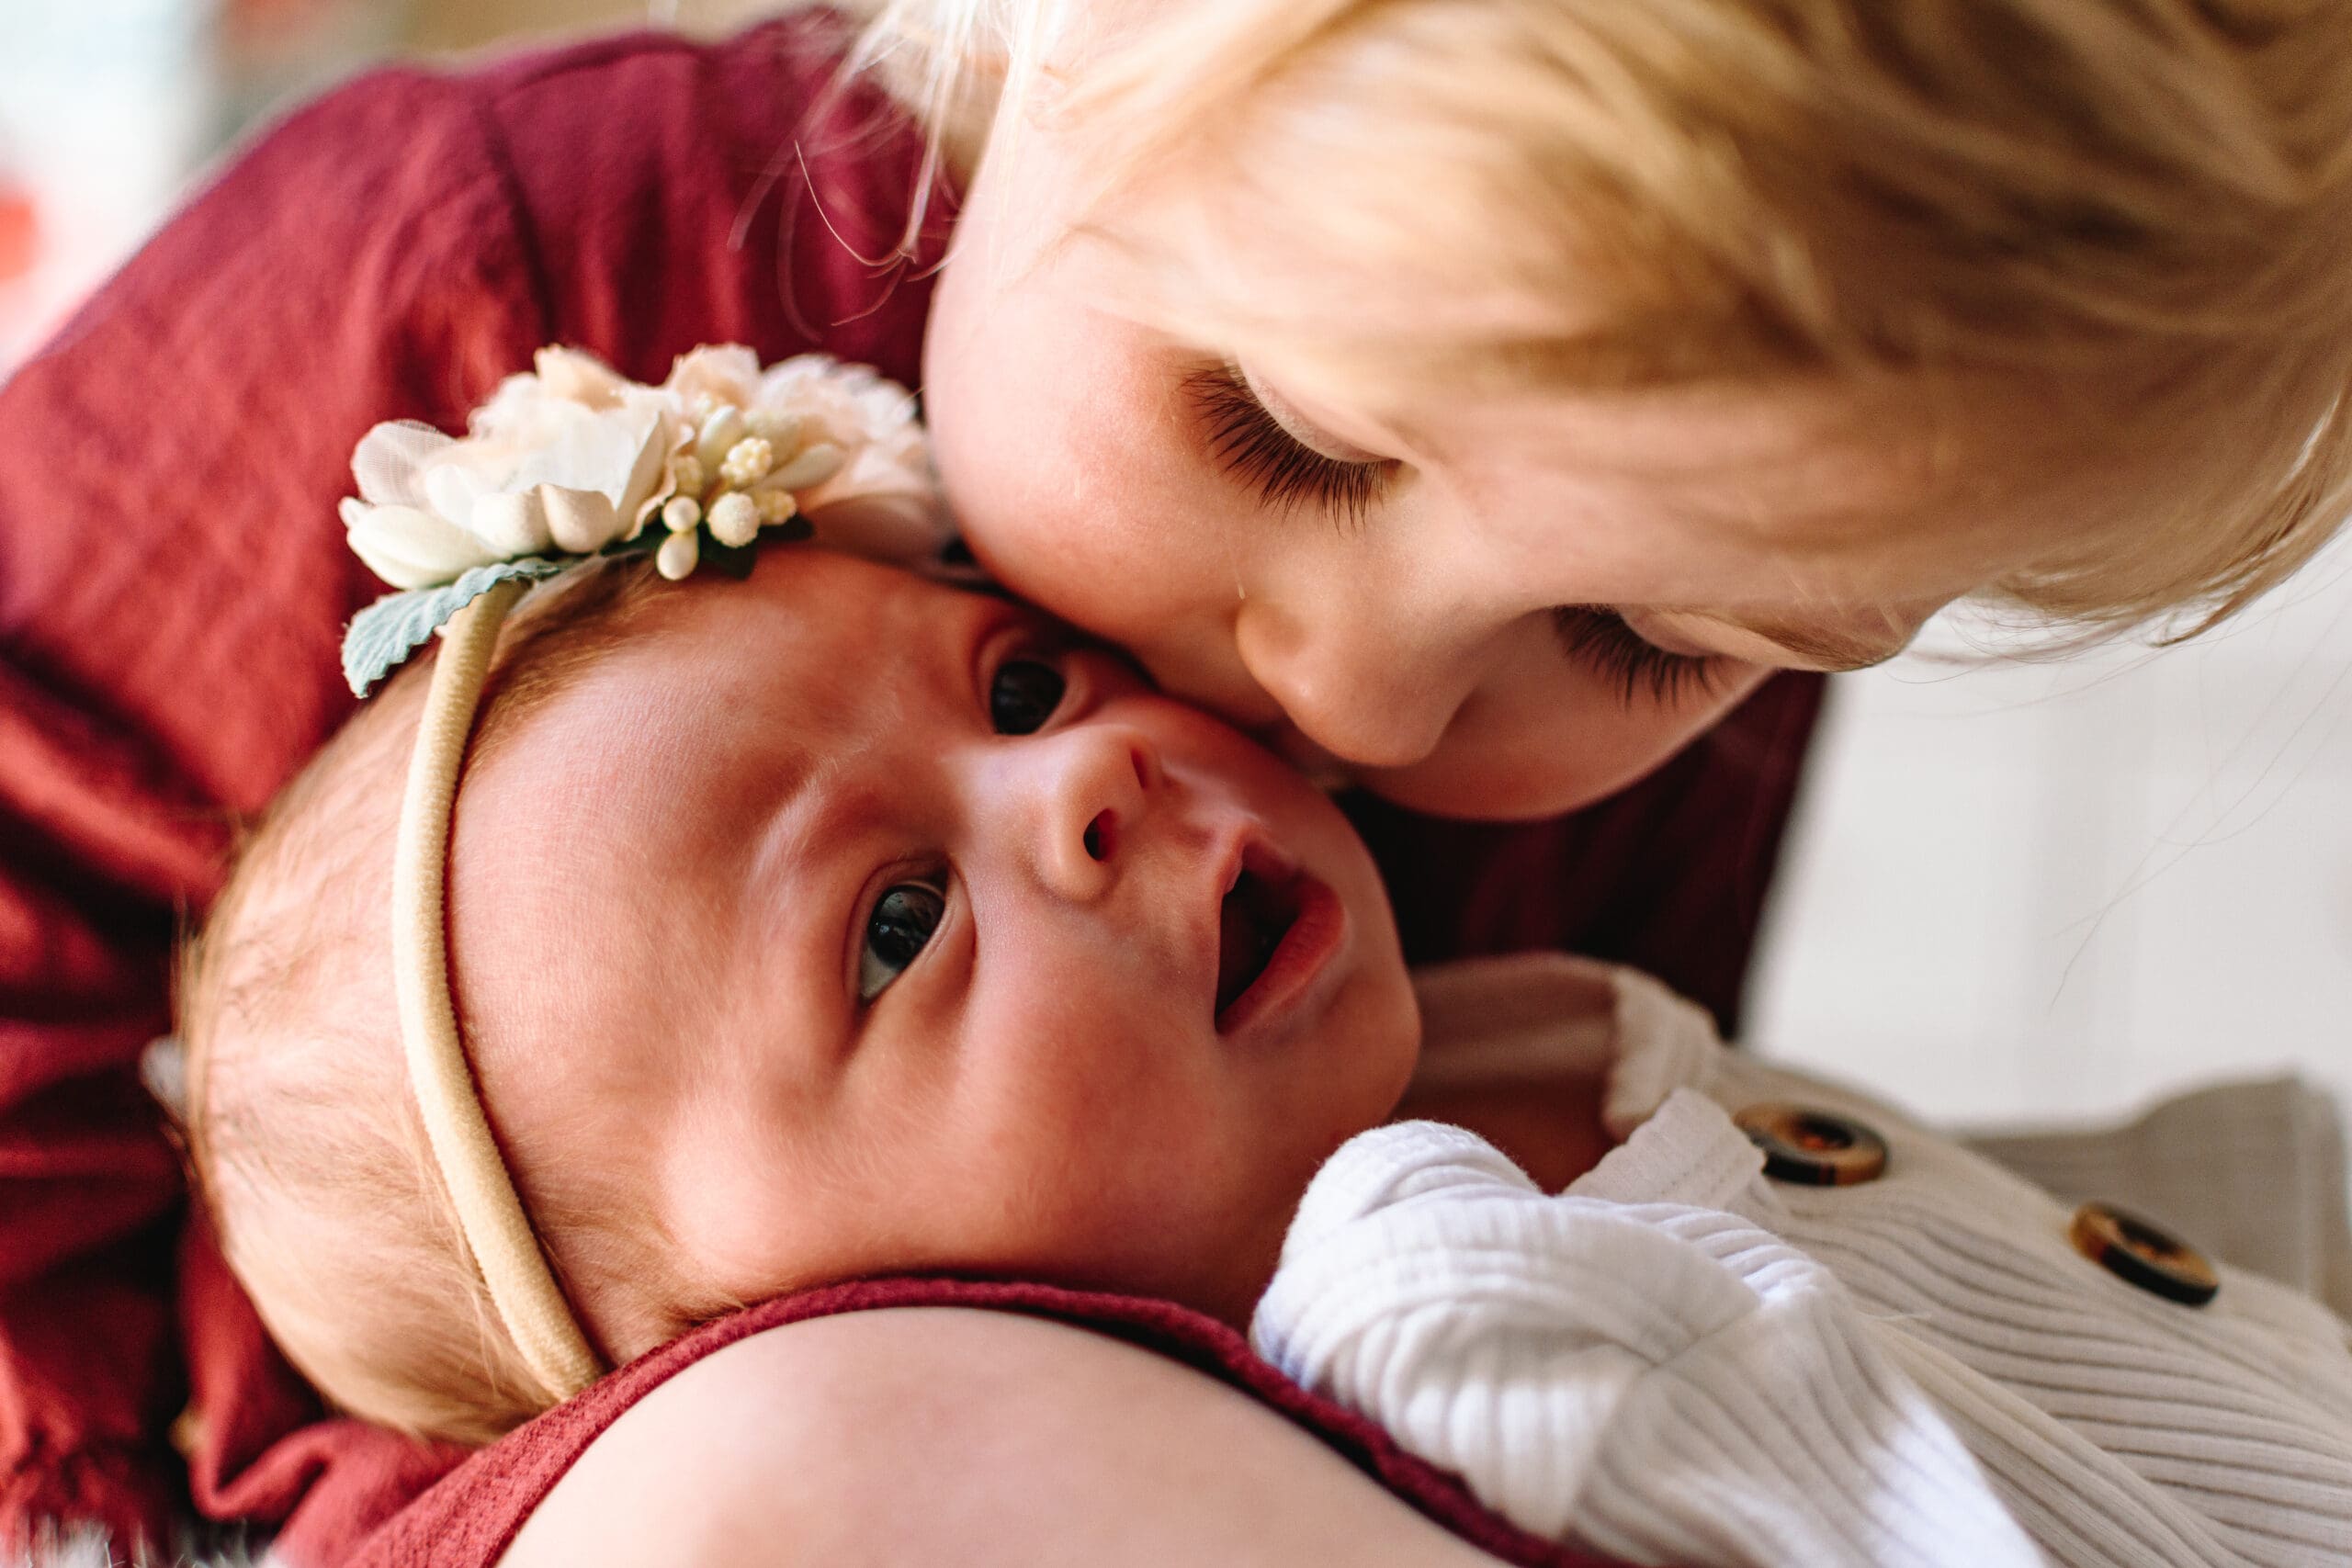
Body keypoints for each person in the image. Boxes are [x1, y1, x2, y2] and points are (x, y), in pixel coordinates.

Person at [4, 0, 2350, 1551]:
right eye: (1284, 432)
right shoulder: (482, 275)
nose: (1362, 712)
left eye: (1659, 639)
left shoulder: (1754, 458)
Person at [181, 507, 2352, 1567]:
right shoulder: (1421, 1337)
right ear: (786, 1327)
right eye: (897, 920)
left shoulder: (1523, 1032)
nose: (1086, 772)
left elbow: (2022, 1277)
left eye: (1014, 678)